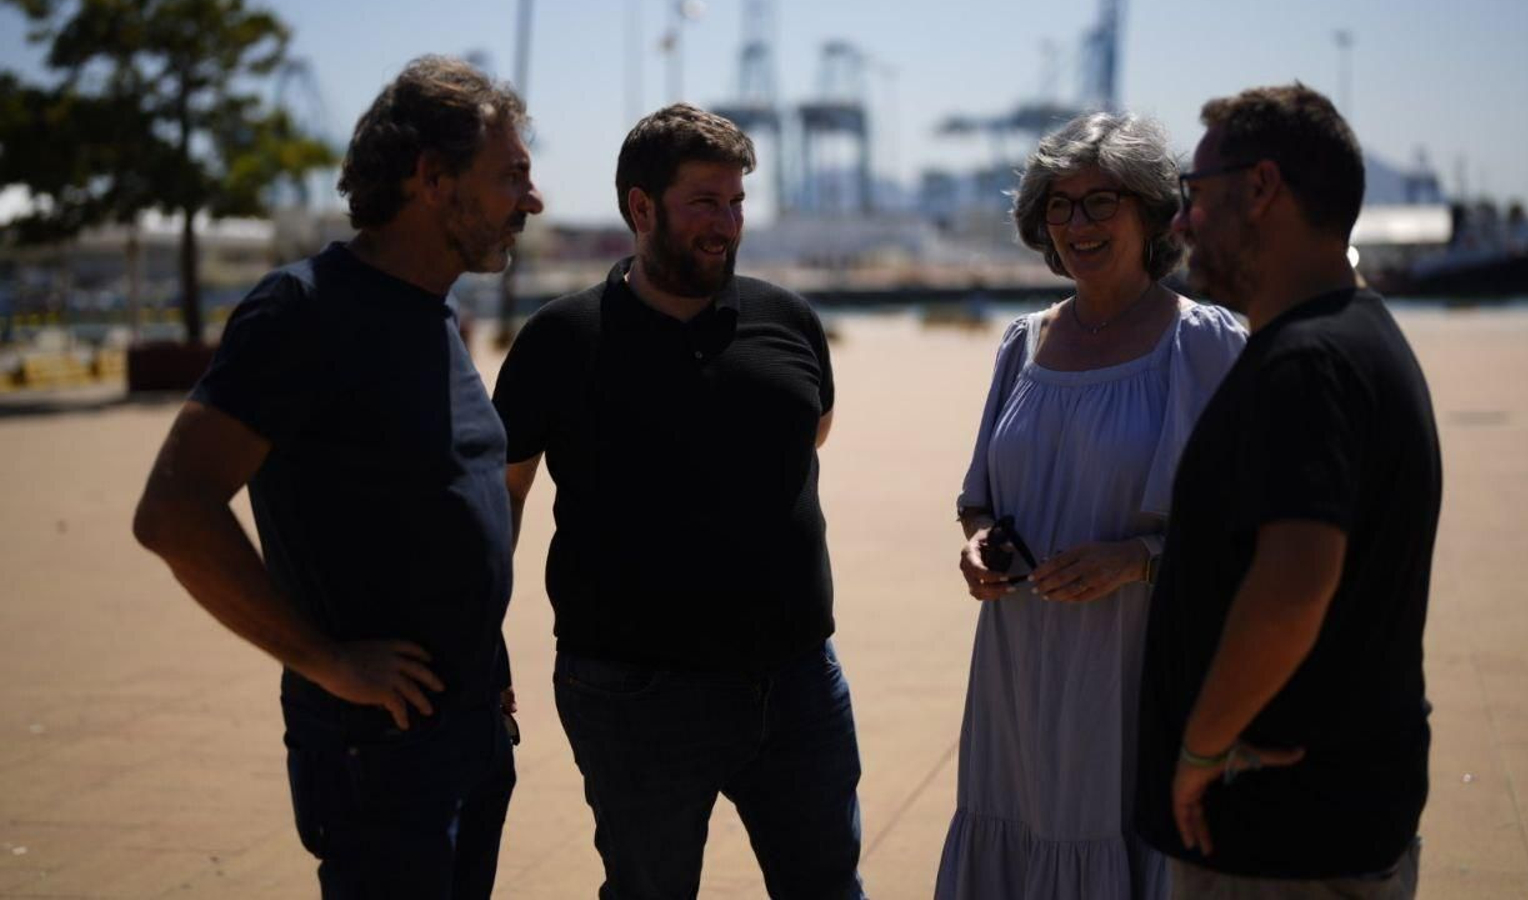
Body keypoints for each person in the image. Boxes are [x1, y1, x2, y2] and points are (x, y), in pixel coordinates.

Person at [132, 55, 543, 899]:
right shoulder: (304, 311)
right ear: (431, 178)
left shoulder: (434, 311)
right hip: (380, 753)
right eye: (511, 178)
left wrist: (484, 662)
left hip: (467, 730)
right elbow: (173, 511)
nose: (531, 203)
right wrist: (326, 661)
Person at [492, 103, 865, 898]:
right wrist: (475, 639)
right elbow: (502, 500)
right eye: (705, 201)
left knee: (829, 886)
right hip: (635, 695)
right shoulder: (562, 340)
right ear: (640, 207)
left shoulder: (787, 319)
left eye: (736, 202)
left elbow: (813, 433)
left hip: (799, 681)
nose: (726, 223)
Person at [1135, 83, 1441, 899]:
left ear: (1261, 188)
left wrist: (1202, 748)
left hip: (1282, 841)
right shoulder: (1357, 337)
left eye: (1194, 196)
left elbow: (1296, 581)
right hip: (1324, 825)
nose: (1181, 222)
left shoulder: (1307, 364)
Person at [937, 112, 1247, 899]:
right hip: (1016, 669)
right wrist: (978, 547)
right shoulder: (1023, 342)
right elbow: (979, 501)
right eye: (1060, 204)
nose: (1077, 223)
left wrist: (1137, 559)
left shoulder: (1204, 343)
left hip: (1132, 670)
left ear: (1152, 211)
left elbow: (1251, 532)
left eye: (1100, 201)